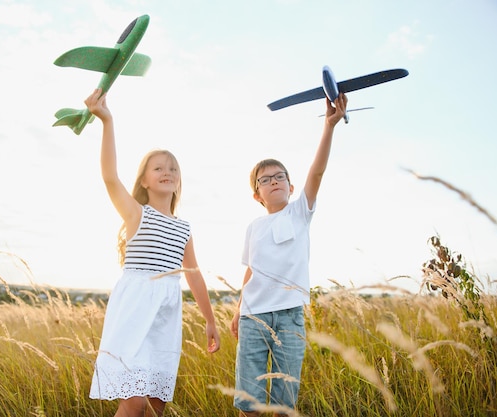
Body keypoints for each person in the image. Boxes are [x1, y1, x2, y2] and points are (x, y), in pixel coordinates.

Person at [84, 88, 220, 417]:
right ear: (144, 180)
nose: (167, 172)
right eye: (158, 168)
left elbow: (194, 275)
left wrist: (210, 320)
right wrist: (107, 121)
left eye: (173, 168)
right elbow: (108, 176)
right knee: (134, 401)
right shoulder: (136, 214)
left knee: (156, 404)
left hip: (166, 311)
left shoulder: (184, 227)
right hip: (135, 305)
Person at [230, 93, 348, 416]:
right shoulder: (254, 226)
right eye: (265, 180)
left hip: (289, 318)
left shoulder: (299, 213)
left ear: (291, 187)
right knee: (249, 403)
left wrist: (329, 125)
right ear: (257, 194)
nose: (274, 182)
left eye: (279, 177)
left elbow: (317, 172)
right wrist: (239, 309)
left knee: (284, 404)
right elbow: (251, 272)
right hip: (253, 318)